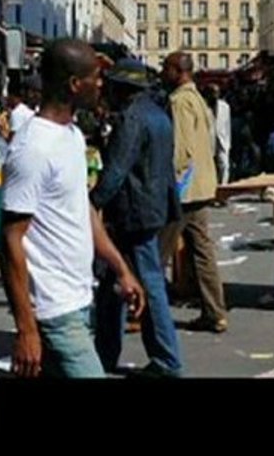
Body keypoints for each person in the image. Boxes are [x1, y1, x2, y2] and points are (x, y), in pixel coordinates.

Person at [0, 39, 145, 378]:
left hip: (79, 297)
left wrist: (120, 267)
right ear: (74, 84)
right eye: (95, 77)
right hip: (53, 310)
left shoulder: (73, 135)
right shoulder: (32, 148)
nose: (101, 84)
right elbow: (9, 240)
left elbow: (83, 211)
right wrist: (26, 329)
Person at [91, 58, 184, 378]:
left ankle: (166, 359)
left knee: (147, 282)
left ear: (123, 90)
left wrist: (92, 202)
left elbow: (117, 168)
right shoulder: (158, 114)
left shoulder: (131, 119)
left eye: (113, 87)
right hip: (154, 206)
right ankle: (103, 354)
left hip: (134, 211)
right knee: (113, 282)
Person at [159, 52, 228, 333]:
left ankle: (145, 313)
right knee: (203, 251)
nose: (163, 73)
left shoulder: (179, 101)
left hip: (184, 191)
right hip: (202, 185)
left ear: (178, 71)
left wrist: (172, 188)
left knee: (157, 254)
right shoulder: (199, 99)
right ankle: (215, 312)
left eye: (166, 68)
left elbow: (181, 150)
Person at [204, 84, 232, 185]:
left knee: (224, 164)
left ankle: (223, 186)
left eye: (217, 92)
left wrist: (228, 143)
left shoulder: (225, 107)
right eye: (212, 93)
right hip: (208, 140)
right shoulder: (203, 107)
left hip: (222, 139)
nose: (215, 95)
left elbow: (227, 125)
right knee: (209, 165)